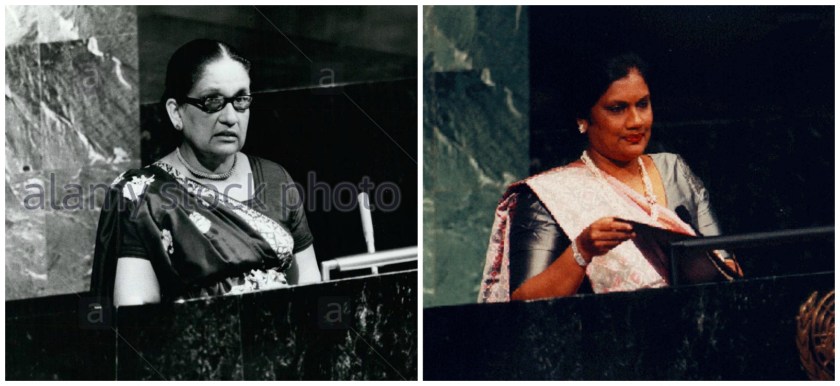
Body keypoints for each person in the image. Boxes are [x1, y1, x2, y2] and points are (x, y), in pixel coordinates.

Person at [478, 53, 741, 303]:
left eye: (643, 104)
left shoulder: (674, 170)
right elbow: (523, 305)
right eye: (617, 109)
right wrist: (581, 251)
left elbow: (730, 270)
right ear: (583, 119)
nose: (636, 121)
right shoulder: (549, 195)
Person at [91, 39, 321, 307]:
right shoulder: (143, 195)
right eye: (213, 101)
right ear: (176, 112)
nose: (230, 117)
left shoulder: (275, 178)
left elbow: (308, 287)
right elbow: (137, 314)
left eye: (240, 100)